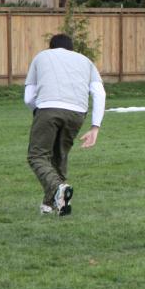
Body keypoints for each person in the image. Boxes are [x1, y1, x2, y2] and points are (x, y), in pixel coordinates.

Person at [24, 33, 105, 216]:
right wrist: (95, 127)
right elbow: (100, 93)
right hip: (77, 113)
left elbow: (29, 97)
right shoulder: (86, 61)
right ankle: (51, 205)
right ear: (72, 49)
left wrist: (38, 111)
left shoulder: (41, 57)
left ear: (51, 47)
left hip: (48, 108)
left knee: (37, 155)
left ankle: (58, 188)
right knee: (59, 157)